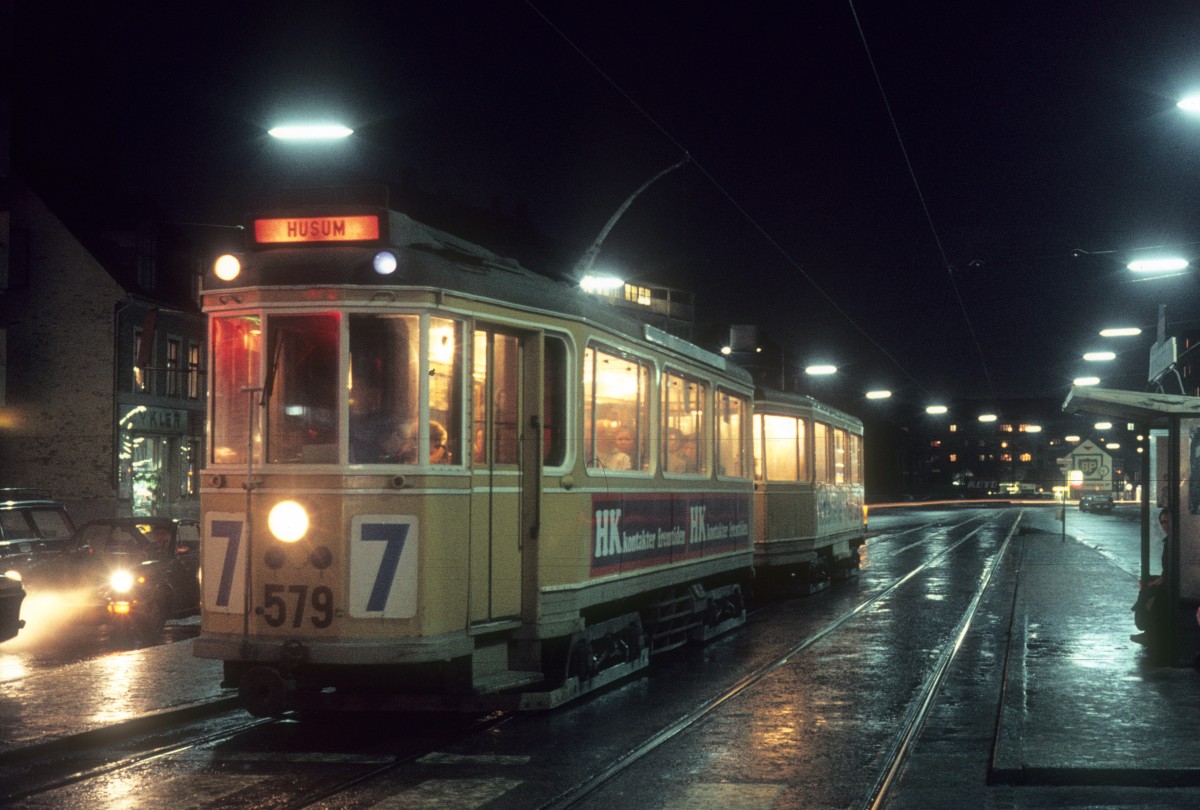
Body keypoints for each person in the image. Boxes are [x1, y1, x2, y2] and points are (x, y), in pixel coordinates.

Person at [1131, 508, 1170, 646]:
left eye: (1167, 521)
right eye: (1162, 522)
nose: (1165, 525)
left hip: (1172, 583)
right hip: (1168, 579)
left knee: (1150, 593)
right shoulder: (1170, 541)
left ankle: (1150, 632)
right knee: (1147, 582)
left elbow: (1172, 570)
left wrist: (1158, 582)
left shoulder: (1173, 542)